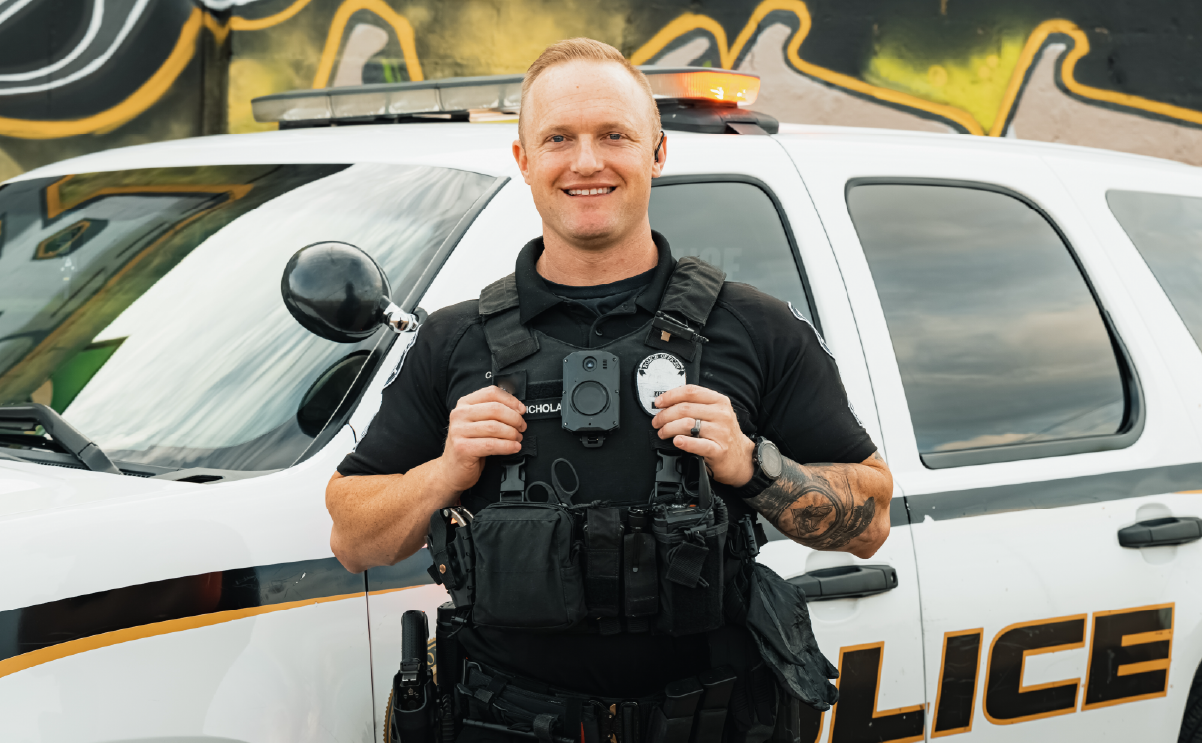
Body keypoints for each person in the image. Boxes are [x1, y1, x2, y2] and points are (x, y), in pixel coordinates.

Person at [325, 37, 893, 742]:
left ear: (657, 152)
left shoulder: (754, 326)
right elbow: (352, 538)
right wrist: (442, 473)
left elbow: (870, 522)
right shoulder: (454, 340)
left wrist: (752, 464)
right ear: (524, 159)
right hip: (505, 724)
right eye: (558, 138)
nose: (586, 161)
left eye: (614, 135)